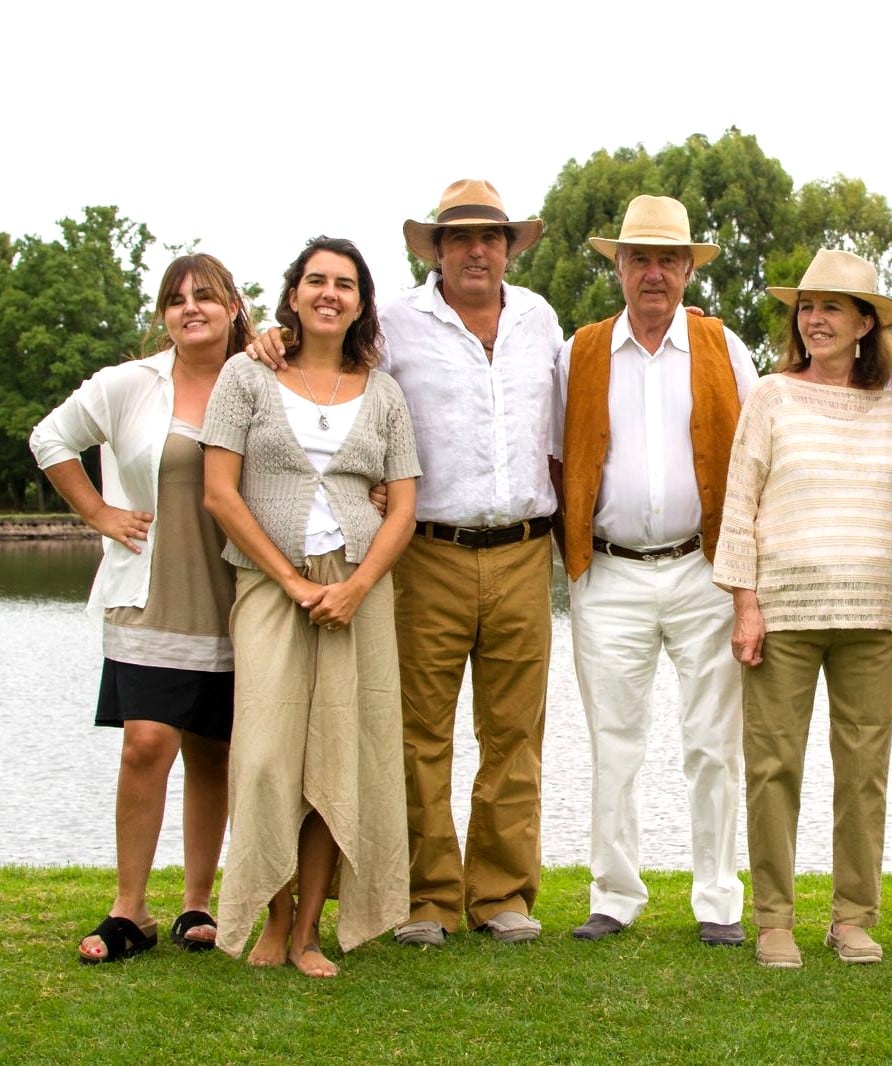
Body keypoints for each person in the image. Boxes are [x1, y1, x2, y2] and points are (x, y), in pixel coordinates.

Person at [251, 180, 562, 948]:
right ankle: (426, 898)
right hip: (427, 552)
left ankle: (501, 896)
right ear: (437, 250)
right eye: (460, 238)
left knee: (514, 732)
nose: (477, 250)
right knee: (419, 732)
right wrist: (271, 336)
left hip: (525, 550)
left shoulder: (539, 319)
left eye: (491, 237)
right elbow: (327, 356)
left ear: (510, 247)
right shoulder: (393, 322)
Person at [202, 236, 420, 977]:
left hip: (359, 590)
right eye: (316, 280)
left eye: (346, 285)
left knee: (341, 758)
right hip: (270, 586)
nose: (330, 293)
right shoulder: (247, 376)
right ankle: (272, 912)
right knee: (265, 757)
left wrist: (356, 587)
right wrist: (292, 583)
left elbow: (404, 507)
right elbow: (219, 494)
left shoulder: (383, 393)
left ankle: (307, 936)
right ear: (293, 293)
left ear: (361, 303)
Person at [31, 254, 255, 963]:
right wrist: (98, 511)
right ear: (164, 315)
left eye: (207, 297)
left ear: (232, 308)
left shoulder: (257, 383)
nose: (192, 308)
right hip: (149, 595)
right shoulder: (130, 385)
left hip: (237, 598)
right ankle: (129, 910)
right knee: (146, 745)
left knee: (213, 754)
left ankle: (196, 904)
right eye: (177, 299)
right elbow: (50, 439)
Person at [554, 194, 758, 945]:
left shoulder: (723, 348)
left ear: (686, 269)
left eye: (668, 260)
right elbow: (557, 456)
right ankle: (614, 894)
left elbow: (751, 456)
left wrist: (745, 584)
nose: (653, 273)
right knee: (613, 739)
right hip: (607, 574)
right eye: (638, 258)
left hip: (703, 570)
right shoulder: (578, 352)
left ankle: (717, 901)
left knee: (712, 742)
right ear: (618, 266)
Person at [714, 249, 892, 968]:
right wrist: (745, 603)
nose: (815, 319)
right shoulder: (772, 395)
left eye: (832, 307)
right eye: (807, 306)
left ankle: (852, 917)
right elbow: (740, 503)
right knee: (773, 767)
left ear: (866, 322)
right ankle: (773, 920)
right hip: (783, 611)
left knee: (864, 770)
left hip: (870, 610)